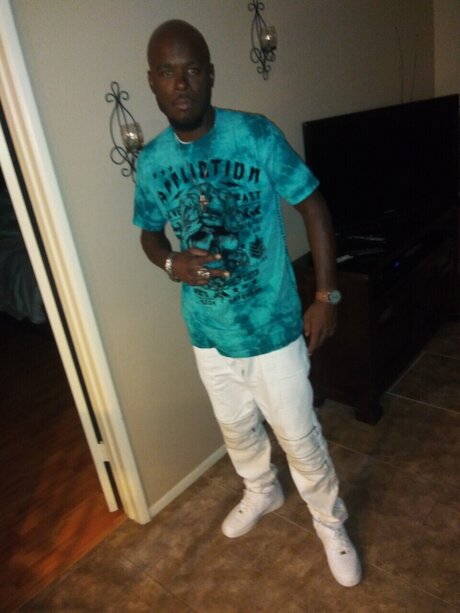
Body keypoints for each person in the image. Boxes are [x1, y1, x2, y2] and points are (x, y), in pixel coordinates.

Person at [134, 19, 361, 588]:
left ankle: (330, 522)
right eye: (167, 72)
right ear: (152, 81)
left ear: (210, 75)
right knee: (236, 430)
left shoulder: (254, 134)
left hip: (272, 330)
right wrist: (171, 263)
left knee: (300, 439)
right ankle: (262, 490)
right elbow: (149, 233)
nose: (180, 83)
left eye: (191, 69)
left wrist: (326, 295)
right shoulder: (153, 161)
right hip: (206, 332)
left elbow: (314, 207)